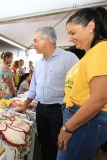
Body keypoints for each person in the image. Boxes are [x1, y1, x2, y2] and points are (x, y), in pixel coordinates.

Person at [56, 7, 107, 160]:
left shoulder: (101, 50)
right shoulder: (91, 53)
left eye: (73, 33)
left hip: (86, 119)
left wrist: (68, 127)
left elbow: (99, 98)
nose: (70, 39)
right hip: (81, 117)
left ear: (90, 27)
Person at [22, 26, 79, 160]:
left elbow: (81, 84)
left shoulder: (69, 58)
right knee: (44, 143)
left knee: (57, 144)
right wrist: (25, 105)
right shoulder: (39, 63)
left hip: (59, 110)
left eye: (35, 41)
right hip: (41, 109)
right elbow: (33, 89)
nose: (33, 44)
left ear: (46, 40)